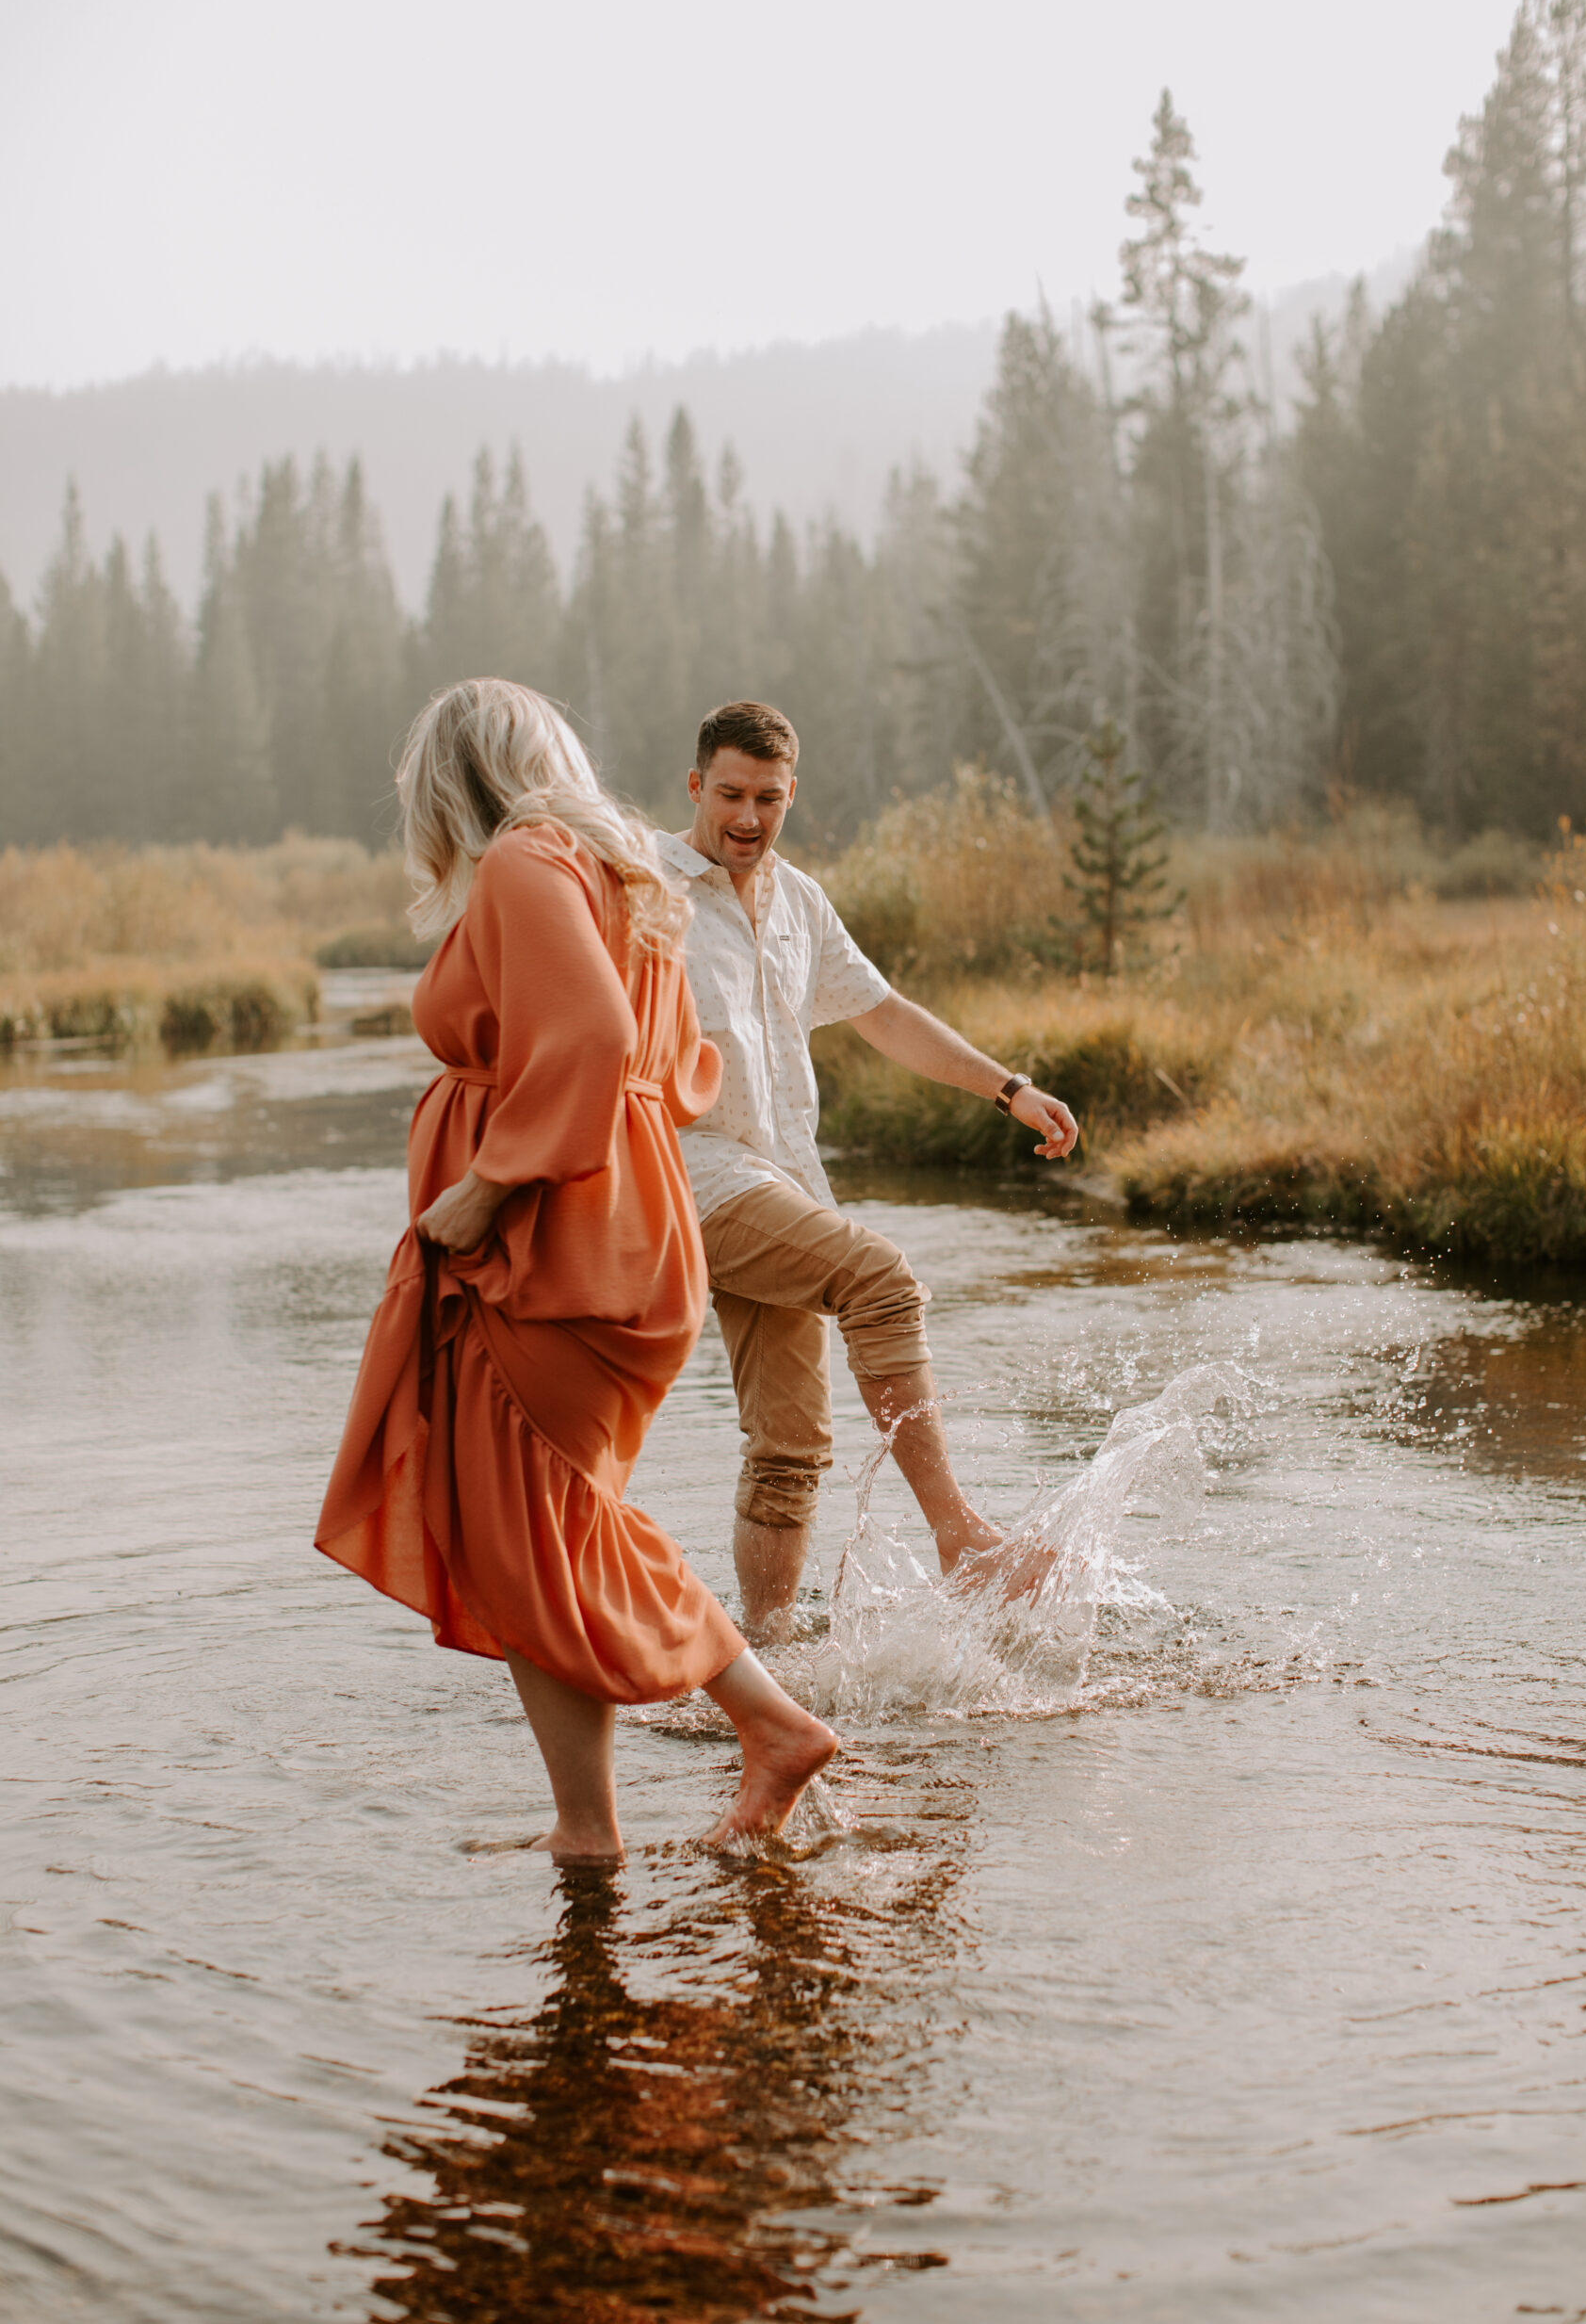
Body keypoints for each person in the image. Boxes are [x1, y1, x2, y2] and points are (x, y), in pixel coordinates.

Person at [316, 680, 836, 1861]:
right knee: (543, 1527)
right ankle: (586, 1826)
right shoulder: (615, 867)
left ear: (451, 782)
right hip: (617, 1229)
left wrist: (488, 1182)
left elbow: (597, 1039)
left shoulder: (523, 862)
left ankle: (769, 1724)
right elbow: (676, 1057)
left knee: (539, 1522)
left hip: (553, 1243)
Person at [657, 701, 1080, 1643]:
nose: (747, 816)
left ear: (791, 794)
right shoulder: (643, 892)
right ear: (695, 787)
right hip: (689, 1181)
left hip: (779, 1184)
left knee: (791, 1448)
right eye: (729, 793)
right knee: (879, 1278)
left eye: (768, 797)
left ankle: (766, 1654)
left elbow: (886, 1015)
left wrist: (1007, 1088)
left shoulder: (800, 903)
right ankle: (961, 1538)